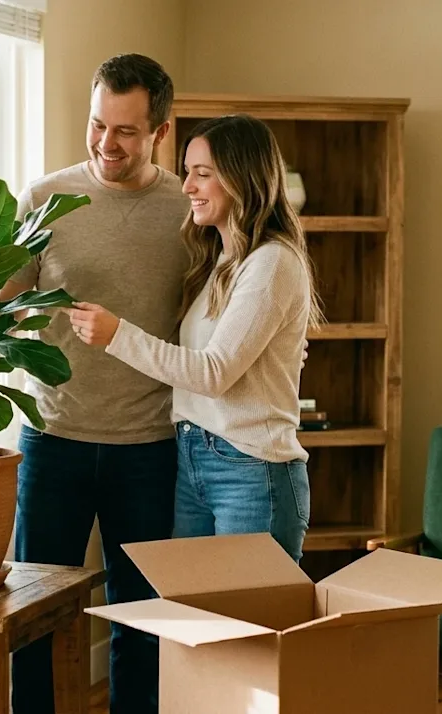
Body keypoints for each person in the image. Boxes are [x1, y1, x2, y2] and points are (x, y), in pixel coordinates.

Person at [0, 54, 189, 714]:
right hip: (54, 442)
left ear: (160, 130)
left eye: (126, 131)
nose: (107, 144)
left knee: (142, 624)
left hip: (151, 446)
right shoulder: (45, 198)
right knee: (34, 620)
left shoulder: (185, 209)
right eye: (97, 125)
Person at [67, 113, 322, 563]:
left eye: (203, 175)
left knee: (247, 628)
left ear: (244, 180)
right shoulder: (221, 260)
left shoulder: (271, 264)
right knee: (195, 623)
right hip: (194, 459)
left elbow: (213, 373)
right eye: (188, 172)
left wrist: (117, 335)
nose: (187, 187)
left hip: (251, 471)